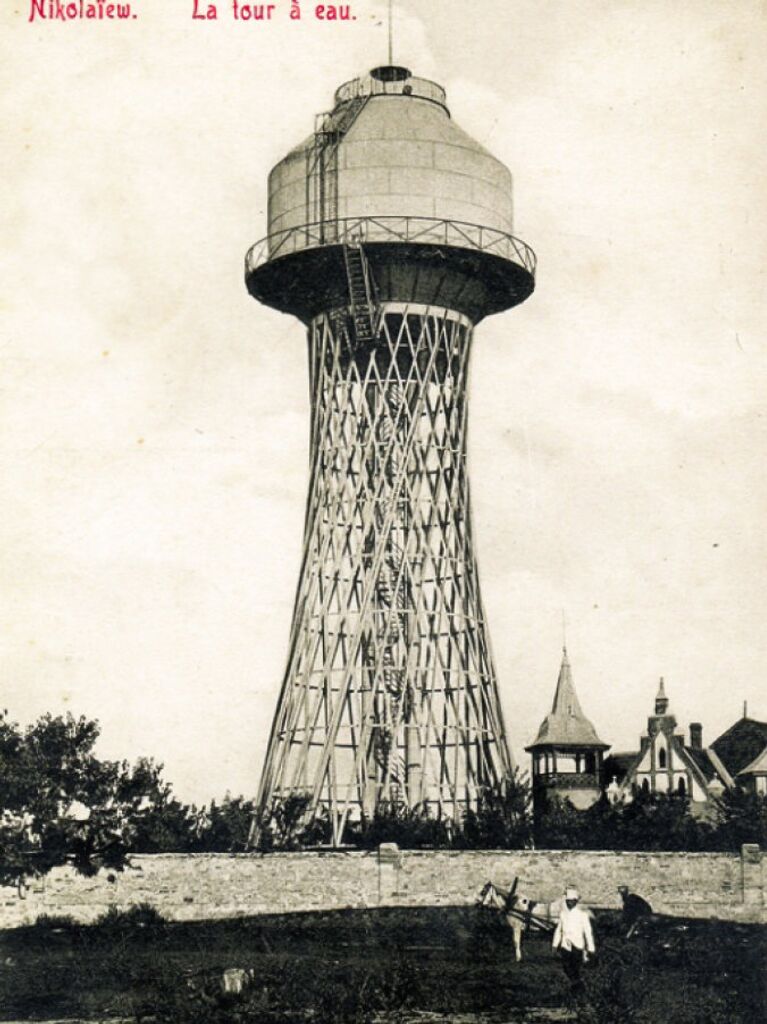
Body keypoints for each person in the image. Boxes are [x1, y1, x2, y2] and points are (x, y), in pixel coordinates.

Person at [552, 887, 595, 998]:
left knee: (576, 968)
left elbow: (588, 932)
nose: (569, 903)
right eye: (568, 901)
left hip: (577, 945)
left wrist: (591, 948)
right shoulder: (563, 914)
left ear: (576, 902)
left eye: (572, 901)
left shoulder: (582, 915)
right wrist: (555, 944)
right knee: (566, 967)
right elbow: (559, 930)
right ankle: (575, 987)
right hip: (565, 945)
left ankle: (578, 989)